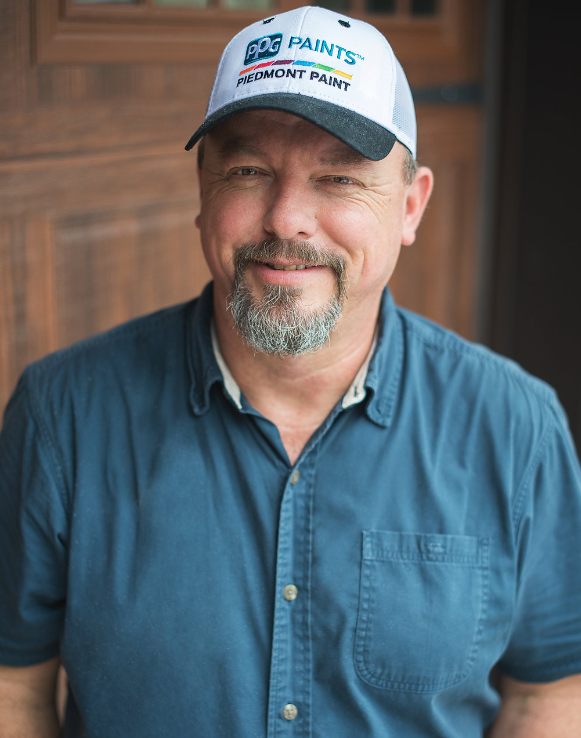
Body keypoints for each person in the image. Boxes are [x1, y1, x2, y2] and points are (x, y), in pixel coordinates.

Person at [1, 6, 580, 737]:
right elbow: (12, 687)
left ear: (409, 205)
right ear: (203, 191)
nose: (285, 218)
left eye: (338, 178)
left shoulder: (514, 426)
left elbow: (548, 689)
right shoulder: (63, 415)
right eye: (248, 170)